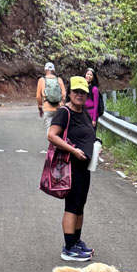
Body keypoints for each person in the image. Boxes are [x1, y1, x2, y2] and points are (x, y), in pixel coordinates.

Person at [47, 76, 98, 261]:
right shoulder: (64, 112)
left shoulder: (83, 112)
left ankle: (76, 241)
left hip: (85, 166)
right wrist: (73, 150)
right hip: (71, 165)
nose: (79, 95)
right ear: (69, 93)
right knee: (72, 205)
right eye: (76, 91)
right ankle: (69, 248)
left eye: (83, 92)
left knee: (80, 204)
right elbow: (52, 135)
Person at [36, 62, 66, 133]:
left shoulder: (42, 80)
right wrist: (62, 105)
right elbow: (64, 95)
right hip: (58, 108)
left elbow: (38, 96)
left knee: (49, 129)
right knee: (59, 128)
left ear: (45, 70)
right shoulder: (59, 79)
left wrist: (40, 107)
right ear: (54, 70)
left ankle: (51, 140)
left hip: (47, 108)